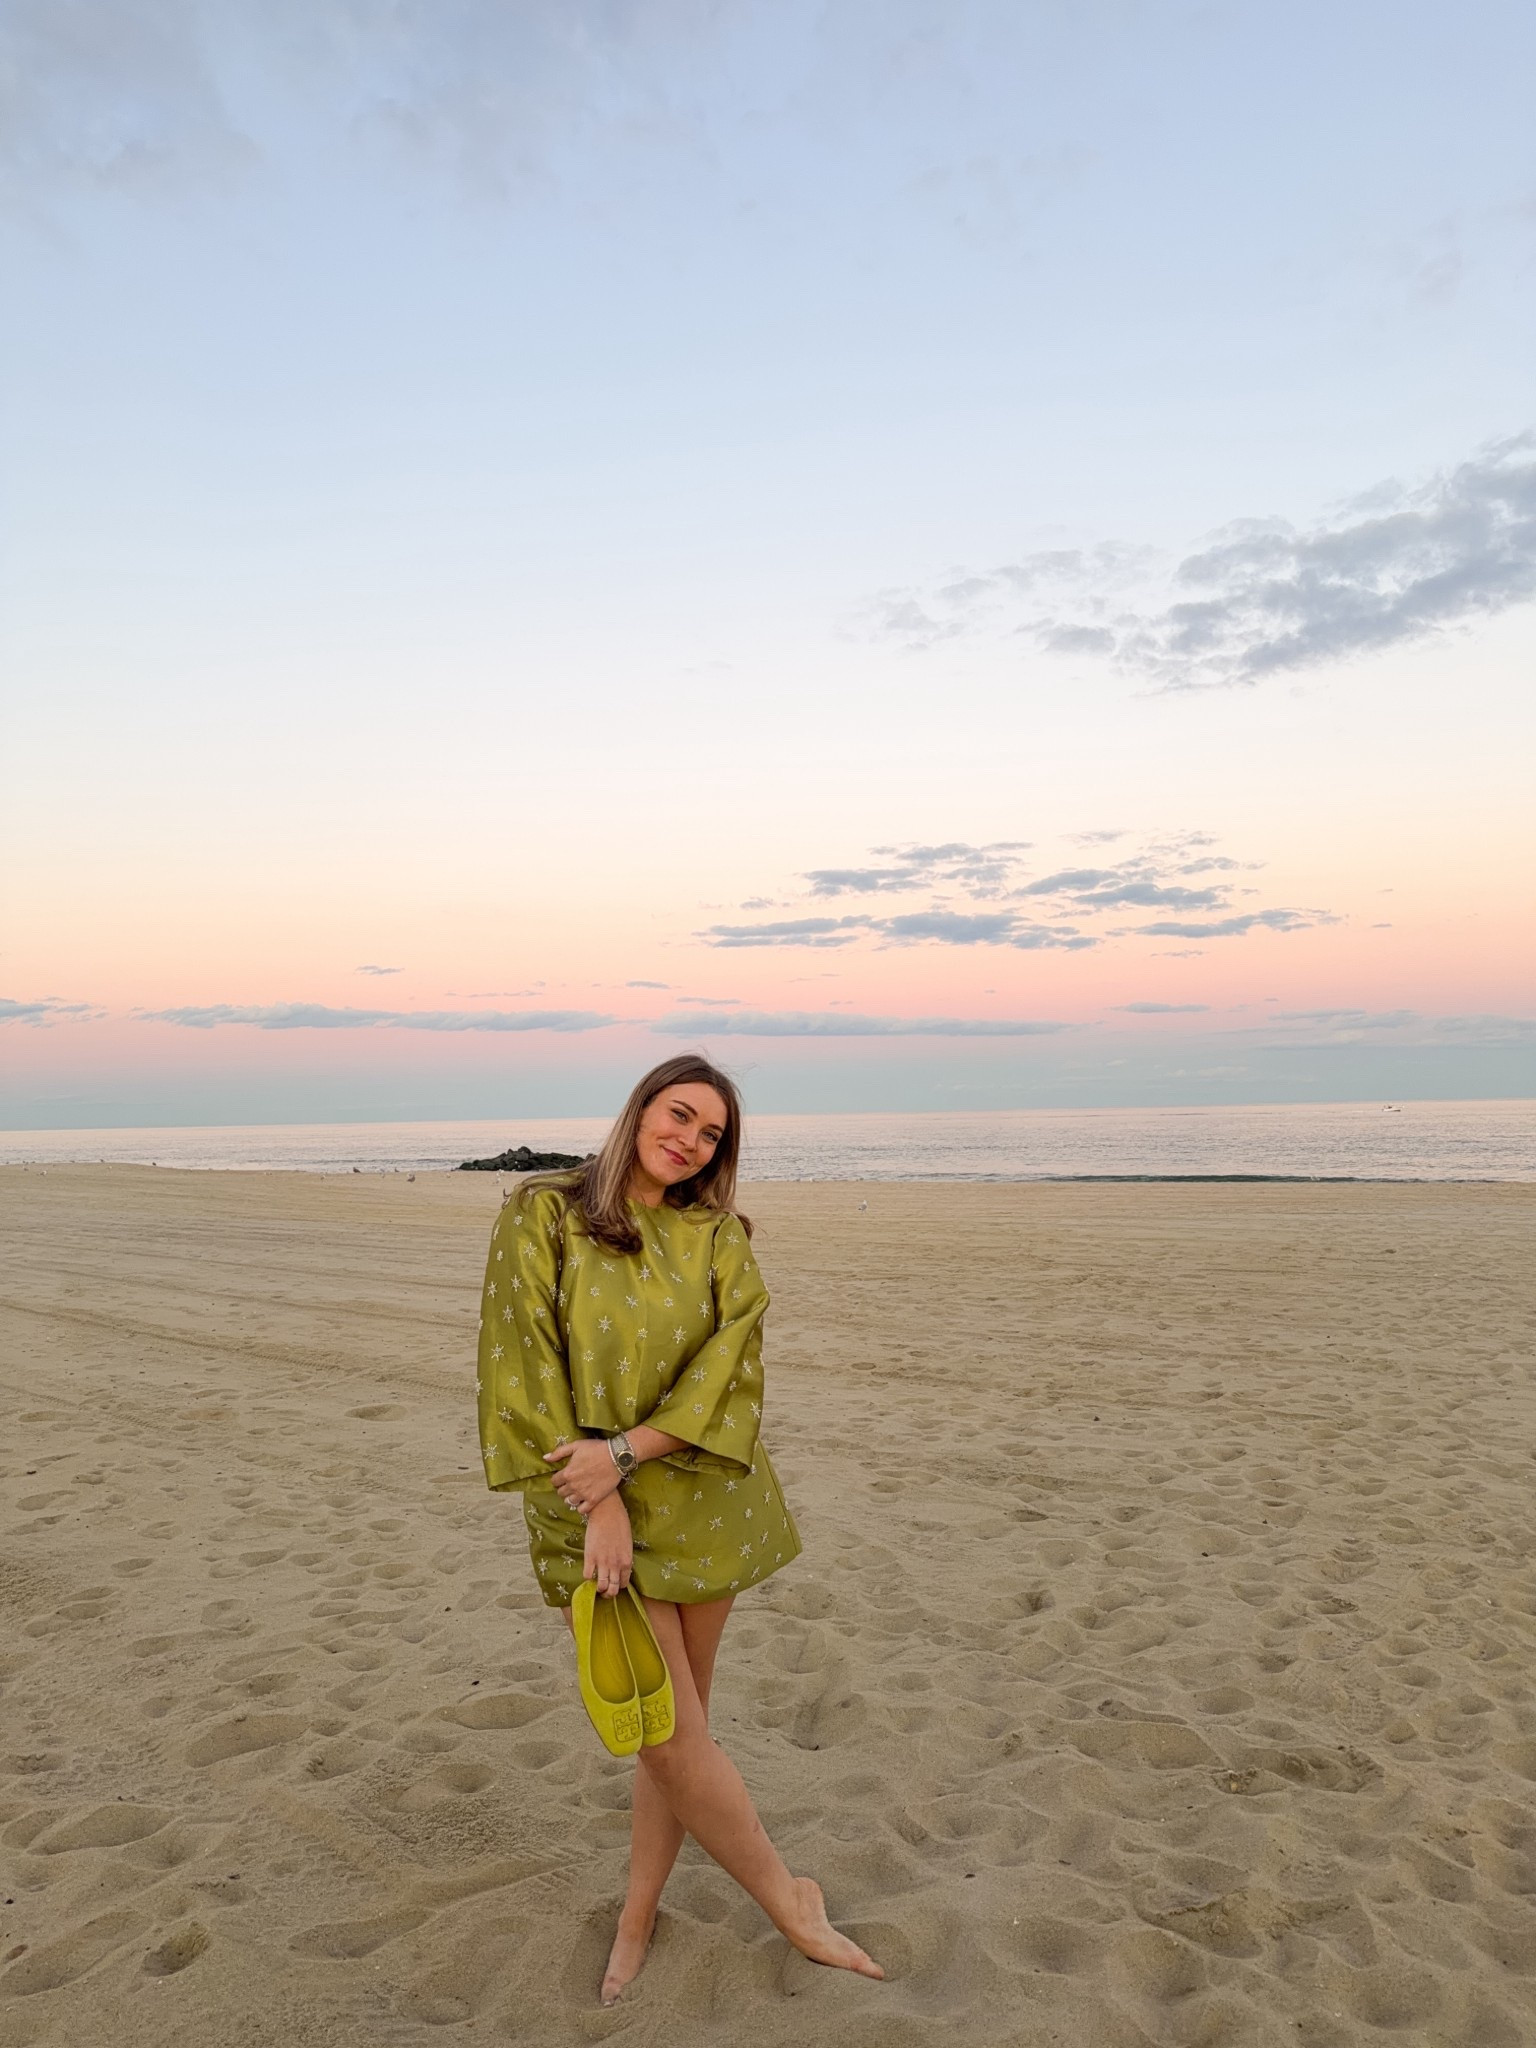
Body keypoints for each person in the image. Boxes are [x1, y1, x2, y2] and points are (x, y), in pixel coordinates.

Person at [475, 1054, 882, 2005]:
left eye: (711, 1134)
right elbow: (521, 1371)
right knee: (663, 1731)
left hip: (703, 1496)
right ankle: (792, 1903)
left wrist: (626, 1456)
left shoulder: (718, 1236)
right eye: (680, 1114)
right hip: (591, 1508)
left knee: (676, 1735)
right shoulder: (544, 1215)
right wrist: (604, 1492)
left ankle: (634, 1914)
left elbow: (730, 1369)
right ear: (641, 1108)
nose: (691, 1141)